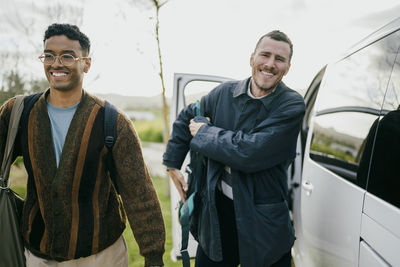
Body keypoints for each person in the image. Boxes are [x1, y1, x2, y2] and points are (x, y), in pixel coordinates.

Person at [0, 23, 165, 267]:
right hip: (38, 255)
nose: (56, 63)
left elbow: (139, 194)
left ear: (86, 63)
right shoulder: (19, 112)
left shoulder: (112, 122)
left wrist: (153, 256)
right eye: (49, 55)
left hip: (101, 256)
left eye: (68, 56)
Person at [163, 30, 305, 267]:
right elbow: (187, 116)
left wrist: (205, 132)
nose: (270, 64)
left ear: (287, 68)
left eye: (279, 59)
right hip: (217, 216)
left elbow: (249, 152)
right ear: (252, 59)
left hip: (263, 224)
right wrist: (172, 163)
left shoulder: (291, 105)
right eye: (265, 55)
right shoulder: (223, 94)